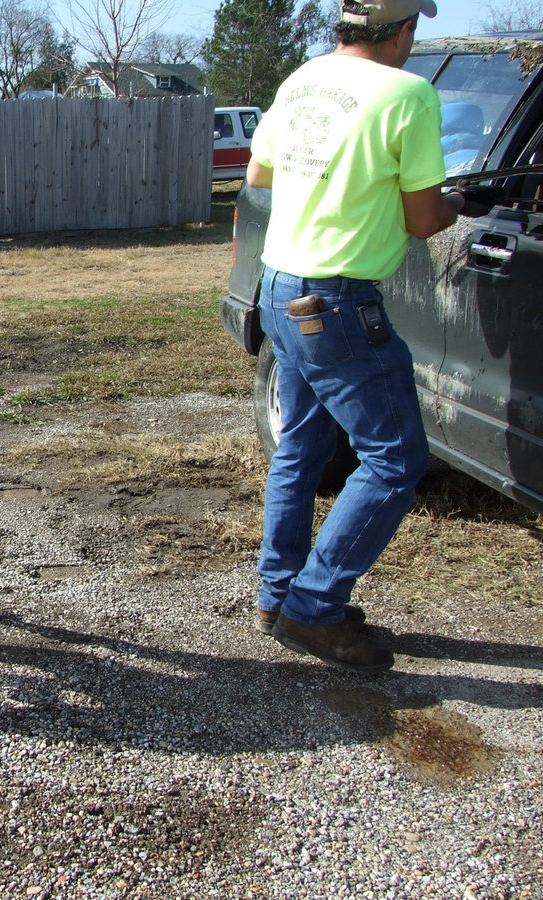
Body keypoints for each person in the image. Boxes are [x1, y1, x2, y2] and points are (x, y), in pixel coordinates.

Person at [245, 0, 499, 672]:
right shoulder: (408, 94)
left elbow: (258, 175)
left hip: (281, 286)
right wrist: (457, 202)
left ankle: (278, 595)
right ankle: (314, 607)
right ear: (405, 30)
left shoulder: (302, 79)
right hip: (337, 301)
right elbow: (424, 220)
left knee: (301, 448)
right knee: (395, 459)